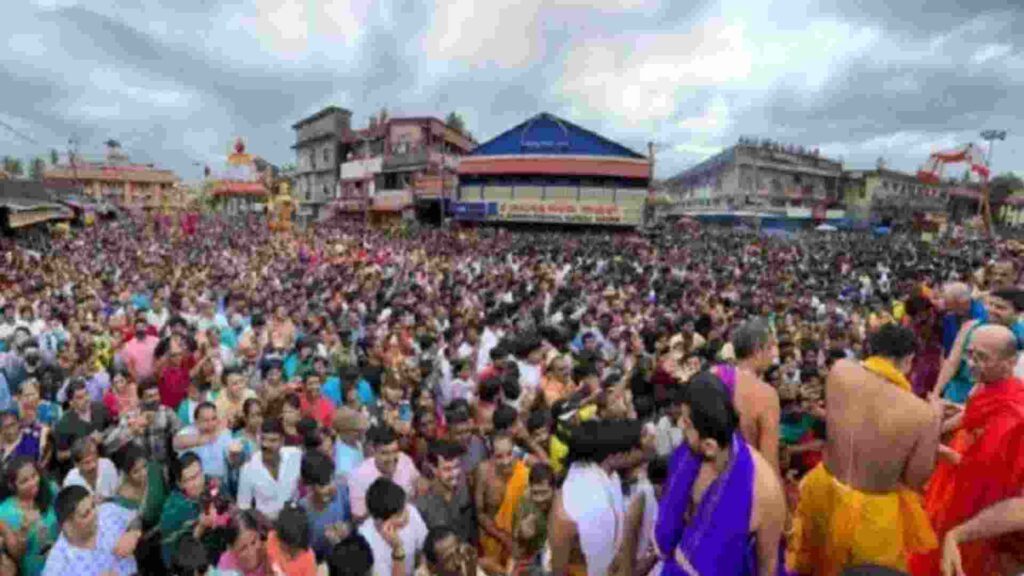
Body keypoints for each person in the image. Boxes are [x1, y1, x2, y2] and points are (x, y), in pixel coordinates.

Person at [792, 324, 941, 575]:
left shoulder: (839, 371)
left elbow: (844, 421)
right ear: (908, 361)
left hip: (823, 491)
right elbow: (916, 479)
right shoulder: (922, 414)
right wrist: (936, 420)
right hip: (874, 517)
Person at [909, 324, 1024, 575]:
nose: (971, 363)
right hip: (952, 482)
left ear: (1010, 361)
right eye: (970, 354)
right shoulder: (984, 384)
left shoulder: (1013, 414)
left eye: (982, 358)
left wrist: (935, 448)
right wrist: (934, 426)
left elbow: (987, 472)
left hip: (979, 499)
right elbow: (970, 415)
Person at [549, 419, 640, 576]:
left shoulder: (611, 480)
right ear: (614, 456)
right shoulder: (571, 504)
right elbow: (559, 567)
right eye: (633, 450)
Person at [932, 288, 1024, 404]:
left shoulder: (1020, 337)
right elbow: (952, 362)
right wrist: (936, 393)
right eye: (990, 304)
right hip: (958, 392)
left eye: (1000, 308)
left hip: (996, 399)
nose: (992, 310)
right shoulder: (971, 327)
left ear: (1018, 313)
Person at [716, 318, 782, 472]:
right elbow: (769, 463)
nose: (774, 354)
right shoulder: (766, 394)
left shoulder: (713, 376)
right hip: (746, 481)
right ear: (758, 351)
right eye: (771, 347)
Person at [40, 485, 138, 575]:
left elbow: (139, 518)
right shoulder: (57, 564)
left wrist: (133, 532)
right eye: (86, 514)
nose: (95, 514)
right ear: (68, 525)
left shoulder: (108, 512)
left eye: (93, 506)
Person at [475, 433, 529, 573]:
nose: (506, 461)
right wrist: (504, 538)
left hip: (520, 541)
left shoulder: (523, 472)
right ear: (491, 455)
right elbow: (479, 513)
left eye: (509, 454)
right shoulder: (483, 471)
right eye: (499, 456)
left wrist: (517, 540)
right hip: (492, 541)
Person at [349, 426, 422, 523]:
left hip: (409, 521)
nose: (391, 458)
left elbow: (419, 487)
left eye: (395, 451)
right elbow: (357, 519)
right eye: (385, 453)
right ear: (373, 451)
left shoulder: (405, 461)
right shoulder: (358, 476)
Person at [0, 457, 58, 576]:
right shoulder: (4, 513)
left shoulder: (50, 490)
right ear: (12, 486)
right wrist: (24, 530)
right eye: (24, 481)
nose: (33, 482)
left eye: (34, 476)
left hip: (63, 561)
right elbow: (17, 555)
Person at [358, 478, 427, 576]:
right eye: (399, 515)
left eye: (405, 507)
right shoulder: (365, 542)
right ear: (380, 521)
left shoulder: (410, 510)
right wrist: (397, 547)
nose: (407, 514)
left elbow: (425, 546)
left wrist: (423, 566)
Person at [237, 418, 301, 520]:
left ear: (282, 441)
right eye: (263, 439)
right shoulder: (247, 469)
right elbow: (244, 508)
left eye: (273, 440)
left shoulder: (295, 455)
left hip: (295, 521)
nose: (266, 445)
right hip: (265, 526)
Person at [414, 440, 475, 546]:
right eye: (447, 469)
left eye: (457, 467)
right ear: (434, 469)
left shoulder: (463, 490)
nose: (454, 474)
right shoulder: (422, 505)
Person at [300, 449, 351, 561]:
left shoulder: (342, 492)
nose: (331, 487)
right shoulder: (302, 511)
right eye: (323, 485)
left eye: (332, 479)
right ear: (309, 487)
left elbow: (351, 522)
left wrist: (346, 529)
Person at [174, 401, 235, 482]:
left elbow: (232, 459)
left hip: (221, 483)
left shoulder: (224, 432)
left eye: (213, 419)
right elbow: (176, 442)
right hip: (194, 484)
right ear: (196, 422)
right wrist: (209, 437)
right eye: (206, 420)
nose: (211, 424)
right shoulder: (188, 432)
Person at [511, 463, 555, 575]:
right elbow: (516, 553)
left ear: (554, 489)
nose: (540, 499)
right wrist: (522, 536)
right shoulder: (524, 506)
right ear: (530, 489)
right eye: (535, 493)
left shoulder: (564, 505)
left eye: (544, 492)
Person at [266, 503, 318, 576]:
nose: (288, 556)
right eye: (285, 550)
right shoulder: (270, 540)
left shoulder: (308, 559)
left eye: (294, 552)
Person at [217, 509, 271, 576]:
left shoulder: (273, 554)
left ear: (259, 533)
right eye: (243, 548)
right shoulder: (227, 563)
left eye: (253, 542)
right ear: (231, 549)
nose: (251, 552)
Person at [418, 526, 484, 576]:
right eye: (449, 559)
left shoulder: (471, 569)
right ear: (433, 568)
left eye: (458, 551)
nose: (458, 562)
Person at [333, 406, 369, 480]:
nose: (362, 434)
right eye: (358, 431)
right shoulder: (342, 461)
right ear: (345, 431)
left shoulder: (356, 443)